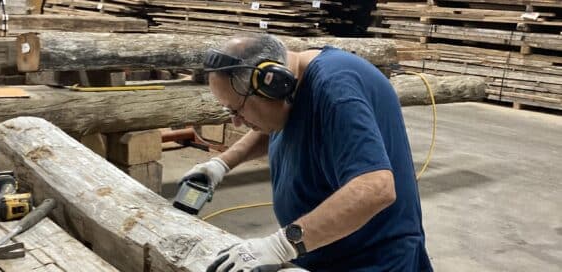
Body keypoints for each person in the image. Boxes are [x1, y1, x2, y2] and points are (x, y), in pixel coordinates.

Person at [182, 33, 432, 271]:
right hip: (323, 249)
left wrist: (281, 245)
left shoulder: (336, 90)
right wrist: (221, 164)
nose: (236, 122)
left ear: (273, 83)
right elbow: (269, 125)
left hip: (371, 259)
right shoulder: (291, 88)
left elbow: (376, 188)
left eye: (237, 110)